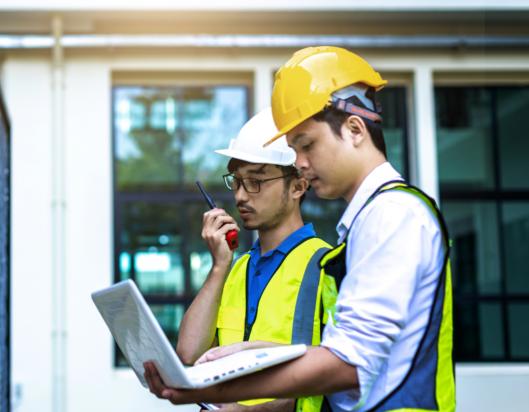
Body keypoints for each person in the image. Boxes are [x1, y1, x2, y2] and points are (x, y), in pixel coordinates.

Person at [143, 46, 455, 412]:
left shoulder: (392, 215)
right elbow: (348, 357)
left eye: (307, 145)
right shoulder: (368, 223)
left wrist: (213, 391)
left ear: (355, 129)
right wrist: (256, 352)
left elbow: (349, 365)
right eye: (294, 149)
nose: (301, 163)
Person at [177, 109, 334, 412]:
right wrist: (219, 266)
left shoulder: (328, 266)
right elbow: (188, 353)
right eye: (236, 182)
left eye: (255, 182)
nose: (240, 196)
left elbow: (333, 379)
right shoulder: (235, 269)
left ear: (298, 186)